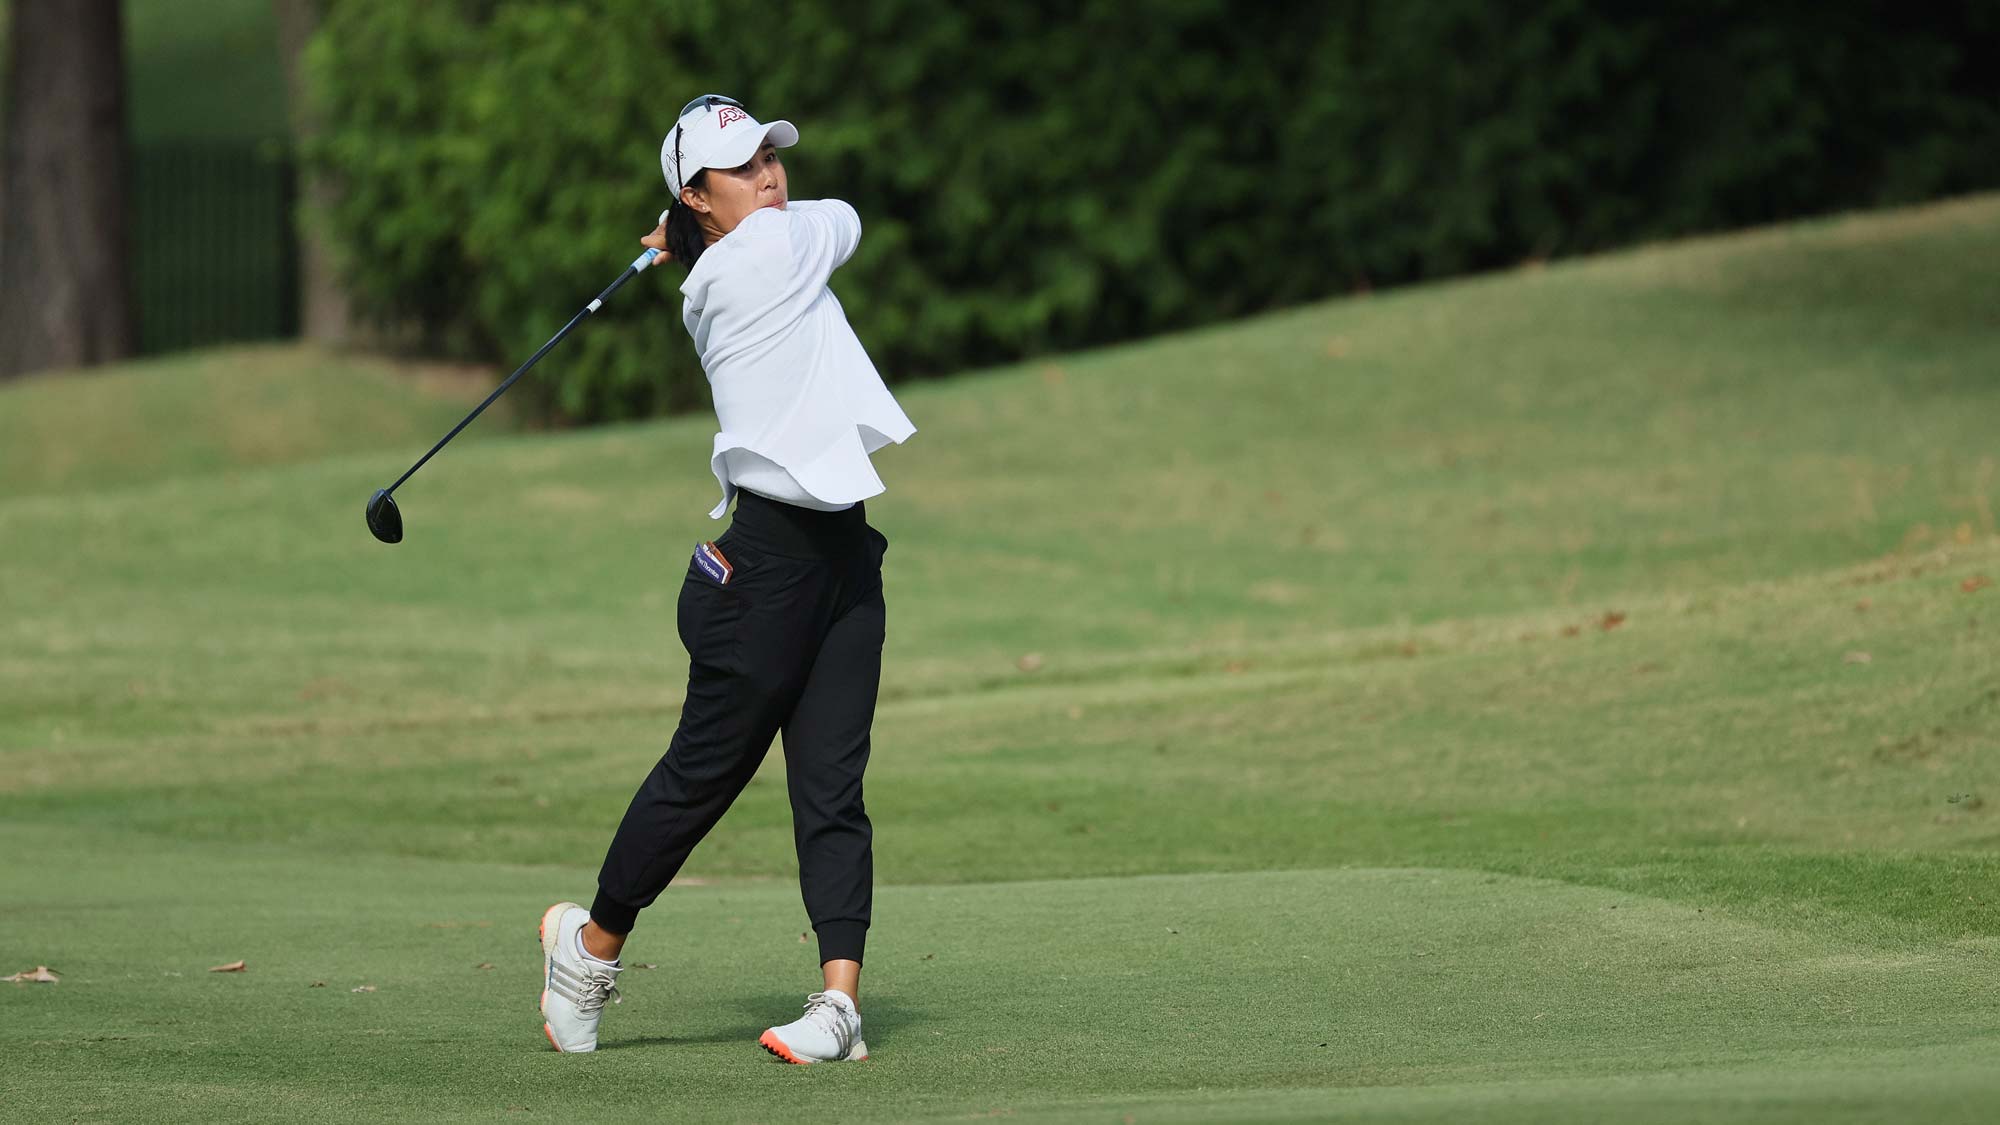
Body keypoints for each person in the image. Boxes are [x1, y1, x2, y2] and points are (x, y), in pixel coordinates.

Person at [537, 94, 915, 1063]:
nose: (771, 177)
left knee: (832, 786)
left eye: (770, 159)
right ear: (698, 194)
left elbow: (787, 227)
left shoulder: (728, 258)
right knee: (701, 777)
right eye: (743, 169)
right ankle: (588, 951)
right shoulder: (770, 253)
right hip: (765, 574)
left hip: (840, 562)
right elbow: (851, 221)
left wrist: (679, 234)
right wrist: (690, 235)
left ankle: (838, 1007)